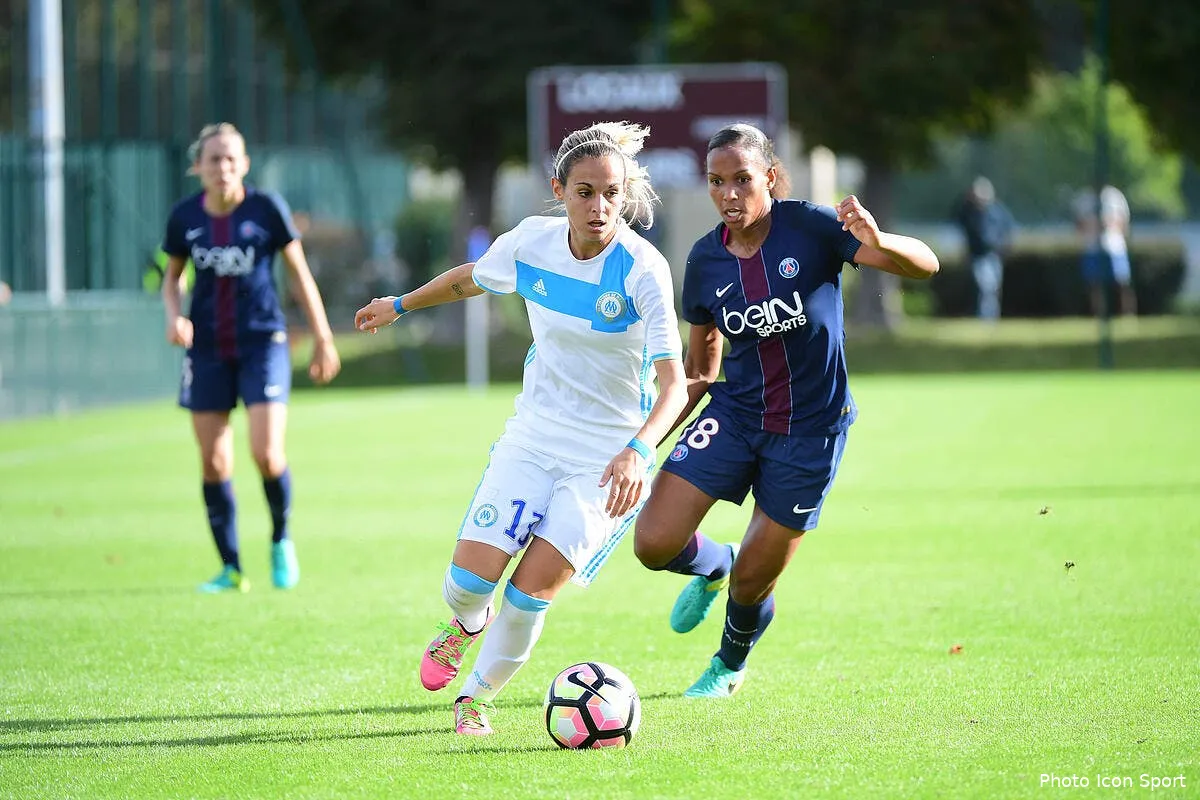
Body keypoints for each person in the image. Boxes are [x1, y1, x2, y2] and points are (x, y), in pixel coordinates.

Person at [354, 121, 687, 736]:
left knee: (530, 593)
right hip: (533, 440)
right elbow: (469, 279)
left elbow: (675, 384)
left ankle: (475, 700)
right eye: (585, 191)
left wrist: (639, 450)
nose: (600, 206)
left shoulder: (644, 270)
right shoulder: (531, 243)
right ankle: (465, 625)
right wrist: (400, 305)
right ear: (558, 189)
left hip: (606, 463)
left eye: (612, 193)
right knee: (466, 585)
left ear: (626, 195)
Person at [632, 122, 939, 698]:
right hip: (737, 416)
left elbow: (926, 266)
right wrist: (640, 445)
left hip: (811, 433)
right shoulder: (705, 261)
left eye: (742, 179)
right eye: (716, 181)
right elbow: (700, 369)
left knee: (754, 583)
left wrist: (882, 238)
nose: (728, 194)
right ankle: (712, 563)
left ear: (769, 178)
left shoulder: (813, 227)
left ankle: (728, 664)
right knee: (653, 542)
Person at [161, 122, 341, 594]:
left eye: (230, 158)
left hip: (262, 343)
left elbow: (299, 274)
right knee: (214, 463)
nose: (222, 167)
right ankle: (230, 568)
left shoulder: (266, 209)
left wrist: (323, 337)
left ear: (243, 164)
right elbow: (171, 277)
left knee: (265, 453)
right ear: (197, 166)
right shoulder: (184, 218)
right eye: (213, 158)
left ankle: (281, 538)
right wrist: (174, 315)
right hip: (207, 350)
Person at [954, 176, 1014, 321]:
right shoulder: (968, 211)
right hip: (977, 255)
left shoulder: (997, 211)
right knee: (985, 287)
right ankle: (986, 317)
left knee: (992, 288)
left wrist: (1004, 247)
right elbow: (957, 220)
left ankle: (990, 316)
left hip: (994, 255)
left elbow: (1008, 229)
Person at [1073, 184, 1136, 318]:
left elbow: (1124, 222)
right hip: (1092, 247)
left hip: (1114, 247)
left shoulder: (1114, 196)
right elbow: (1078, 224)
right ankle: (1098, 314)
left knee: (1122, 282)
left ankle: (1127, 314)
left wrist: (1109, 223)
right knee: (1094, 284)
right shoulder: (1084, 199)